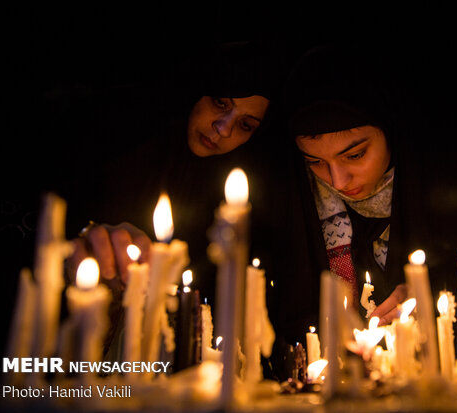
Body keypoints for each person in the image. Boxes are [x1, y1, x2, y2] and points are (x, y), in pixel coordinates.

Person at [60, 40, 285, 357]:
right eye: (220, 102)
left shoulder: (246, 193)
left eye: (245, 125)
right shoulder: (122, 140)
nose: (222, 129)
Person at [269, 42, 430, 351]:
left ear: (391, 132)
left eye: (355, 155)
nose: (338, 181)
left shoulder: (432, 193)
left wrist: (428, 293)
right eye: (315, 162)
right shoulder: (297, 204)